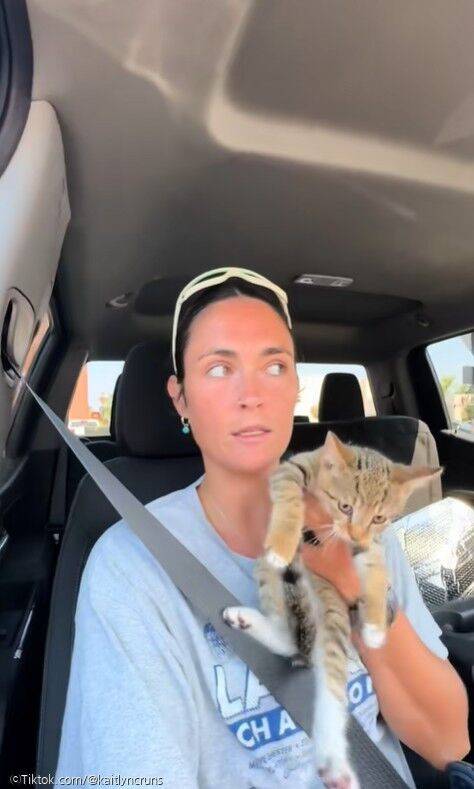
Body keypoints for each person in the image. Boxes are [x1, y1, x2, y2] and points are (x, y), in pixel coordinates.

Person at [54, 267, 469, 788]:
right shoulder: (132, 567)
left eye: (274, 366)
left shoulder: (359, 524)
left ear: (295, 387)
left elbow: (448, 741)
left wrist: (358, 590)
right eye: (219, 368)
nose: (251, 394)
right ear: (180, 398)